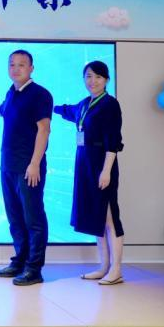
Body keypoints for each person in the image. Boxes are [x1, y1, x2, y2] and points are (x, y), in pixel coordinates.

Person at [0, 49, 52, 286]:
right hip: (8, 165)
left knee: (33, 218)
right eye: (12, 64)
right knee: (15, 217)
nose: (16, 69)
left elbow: (44, 129)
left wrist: (34, 163)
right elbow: (0, 111)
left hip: (28, 167)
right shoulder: (12, 93)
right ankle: (20, 261)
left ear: (31, 68)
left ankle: (34, 268)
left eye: (21, 65)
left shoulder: (40, 94)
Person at [54, 60, 125, 285]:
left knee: (110, 216)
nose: (92, 81)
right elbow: (67, 111)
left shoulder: (110, 104)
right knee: (97, 217)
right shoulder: (85, 104)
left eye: (98, 77)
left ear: (106, 80)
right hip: (84, 163)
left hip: (102, 163)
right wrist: (46, 105)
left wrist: (106, 171)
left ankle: (116, 270)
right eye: (88, 76)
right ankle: (103, 266)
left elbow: (113, 141)